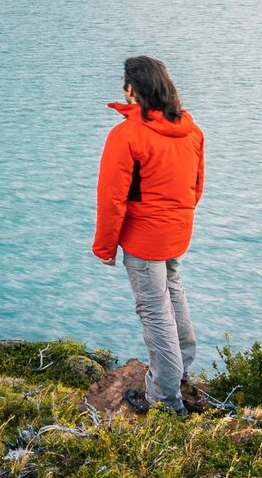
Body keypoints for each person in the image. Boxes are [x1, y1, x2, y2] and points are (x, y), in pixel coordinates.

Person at [91, 54, 205, 413]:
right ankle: (179, 370)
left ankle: (165, 398)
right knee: (174, 293)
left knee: (154, 310)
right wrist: (176, 218)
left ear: (133, 90)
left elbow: (112, 199)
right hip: (177, 230)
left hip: (144, 236)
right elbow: (196, 187)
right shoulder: (191, 130)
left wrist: (105, 246)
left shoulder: (127, 135)